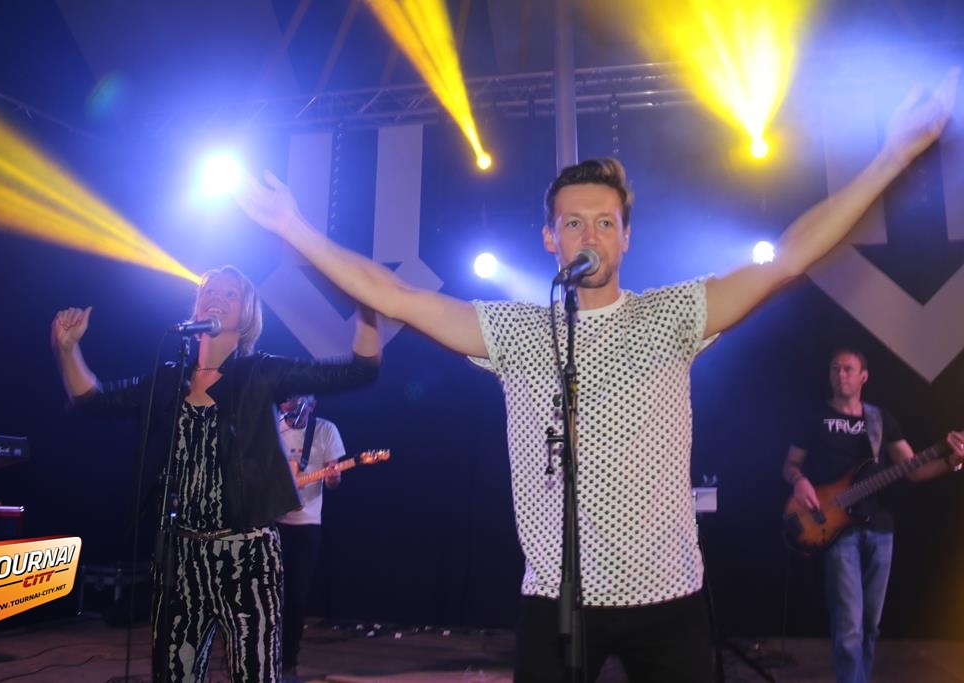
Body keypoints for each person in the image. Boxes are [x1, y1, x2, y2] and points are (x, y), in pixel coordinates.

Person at [234, 70, 958, 682]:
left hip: (668, 596)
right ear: (550, 239)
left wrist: (892, 156)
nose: (591, 235)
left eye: (605, 222)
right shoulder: (519, 329)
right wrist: (294, 227)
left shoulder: (673, 314)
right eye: (574, 223)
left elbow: (790, 258)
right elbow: (394, 295)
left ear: (627, 236)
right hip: (556, 598)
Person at [51, 265, 380, 683]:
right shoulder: (168, 379)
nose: (216, 298)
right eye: (208, 291)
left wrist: (367, 311)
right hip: (180, 556)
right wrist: (67, 350)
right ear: (195, 309)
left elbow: (358, 370)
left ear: (247, 315)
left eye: (230, 293)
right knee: (175, 674)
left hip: (247, 557)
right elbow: (94, 399)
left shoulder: (261, 373)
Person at [782, 348, 964, 683]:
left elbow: (913, 469)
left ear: (864, 376)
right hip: (837, 530)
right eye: (835, 368)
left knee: (869, 625)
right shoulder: (815, 419)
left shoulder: (880, 420)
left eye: (848, 369)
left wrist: (952, 460)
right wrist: (799, 481)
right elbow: (790, 465)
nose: (840, 374)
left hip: (880, 529)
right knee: (849, 625)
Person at [274, 394, 343, 683]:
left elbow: (334, 477)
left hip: (306, 524)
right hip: (272, 522)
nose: (292, 404)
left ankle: (288, 663)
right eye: (289, 399)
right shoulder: (273, 425)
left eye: (300, 400)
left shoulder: (325, 430)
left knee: (296, 596)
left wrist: (333, 478)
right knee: (267, 596)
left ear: (312, 405)